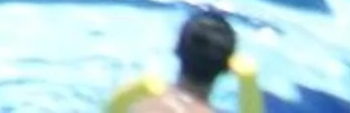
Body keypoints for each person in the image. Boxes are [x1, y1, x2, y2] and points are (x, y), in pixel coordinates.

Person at [105, 9, 259, 113]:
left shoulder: (141, 104)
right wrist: (248, 85)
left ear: (176, 50)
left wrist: (125, 96)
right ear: (227, 68)